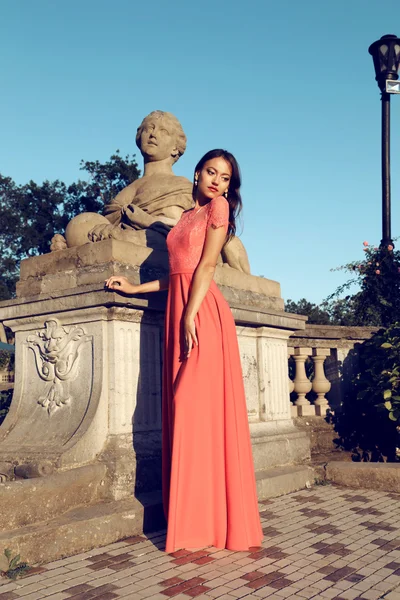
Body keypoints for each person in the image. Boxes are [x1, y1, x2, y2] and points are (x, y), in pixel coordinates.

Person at [105, 149, 263, 552]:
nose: (217, 182)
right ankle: (199, 523)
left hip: (202, 314)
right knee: (187, 417)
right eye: (211, 172)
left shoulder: (219, 209)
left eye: (225, 177)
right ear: (196, 173)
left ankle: (207, 523)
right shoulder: (185, 218)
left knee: (191, 406)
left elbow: (207, 268)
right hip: (182, 308)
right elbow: (178, 272)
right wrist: (134, 287)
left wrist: (190, 316)